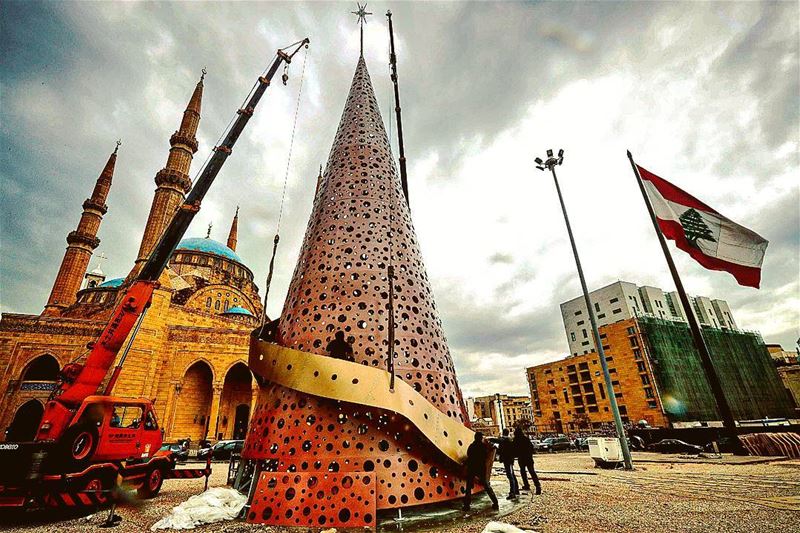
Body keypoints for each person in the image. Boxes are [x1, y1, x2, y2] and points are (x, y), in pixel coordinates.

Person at [462, 432, 499, 512]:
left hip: (472, 468)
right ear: (480, 438)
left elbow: (469, 456)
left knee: (468, 487)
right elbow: (486, 456)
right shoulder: (483, 446)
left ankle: (467, 506)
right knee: (486, 485)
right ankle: (495, 502)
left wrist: (465, 464)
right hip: (481, 468)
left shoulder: (471, 446)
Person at [491, 428, 519, 500]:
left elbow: (499, 441)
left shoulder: (505, 439)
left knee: (510, 476)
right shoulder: (509, 440)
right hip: (509, 460)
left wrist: (490, 438)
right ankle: (516, 490)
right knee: (512, 475)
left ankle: (512, 493)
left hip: (508, 460)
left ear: (503, 433)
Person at [514, 426, 542, 494]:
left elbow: (514, 450)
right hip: (529, 458)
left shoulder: (516, 440)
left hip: (521, 458)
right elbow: (531, 448)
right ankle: (538, 486)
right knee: (532, 472)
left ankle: (526, 485)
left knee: (523, 472)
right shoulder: (526, 439)